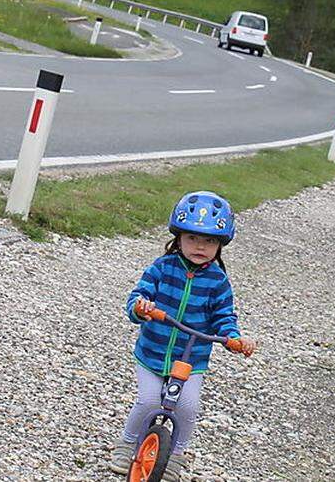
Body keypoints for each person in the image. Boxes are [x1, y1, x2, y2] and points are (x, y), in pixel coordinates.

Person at [109, 190, 258, 481]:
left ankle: (176, 453)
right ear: (178, 238)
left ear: (220, 245)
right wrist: (142, 308)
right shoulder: (162, 268)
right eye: (192, 238)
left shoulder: (218, 281)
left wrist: (234, 337)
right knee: (149, 401)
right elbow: (138, 296)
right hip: (152, 352)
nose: (200, 246)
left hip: (193, 358)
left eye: (209, 241)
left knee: (188, 407)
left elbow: (224, 316)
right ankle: (127, 443)